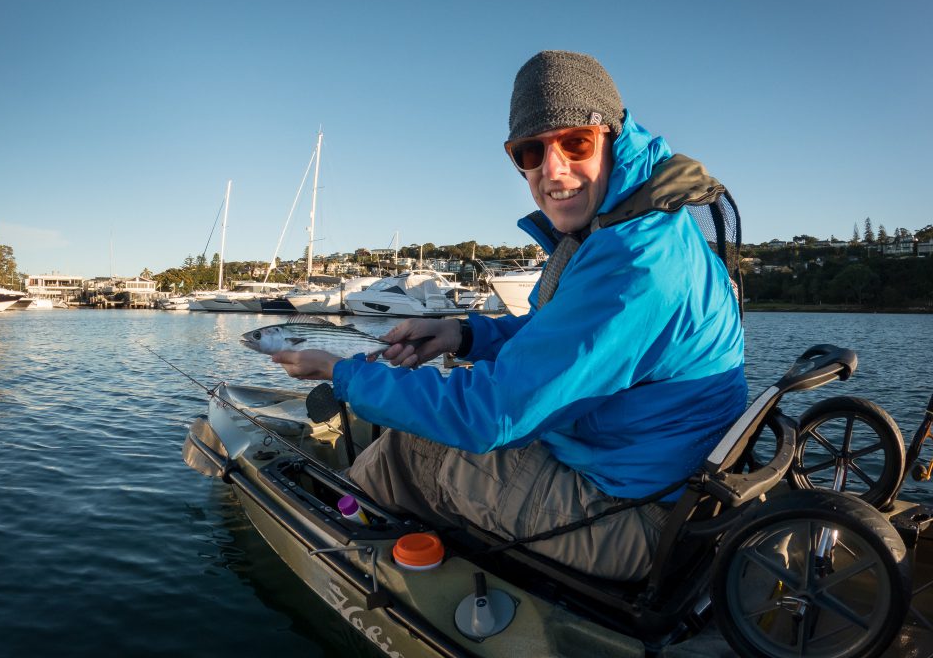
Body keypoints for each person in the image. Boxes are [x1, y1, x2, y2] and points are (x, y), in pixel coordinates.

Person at [272, 50, 746, 581]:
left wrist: (340, 372)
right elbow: (561, 337)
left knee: (415, 447)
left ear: (610, 137)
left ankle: (340, 542)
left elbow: (492, 415)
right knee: (434, 414)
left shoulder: (637, 265)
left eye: (575, 142)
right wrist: (462, 333)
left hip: (641, 521)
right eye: (530, 151)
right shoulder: (635, 228)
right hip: (649, 478)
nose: (554, 170)